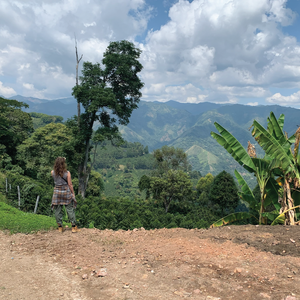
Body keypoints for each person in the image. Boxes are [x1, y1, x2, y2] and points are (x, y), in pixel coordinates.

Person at [51, 157, 80, 233]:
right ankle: (73, 227)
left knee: (57, 210)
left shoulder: (52, 173)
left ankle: (60, 227)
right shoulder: (67, 173)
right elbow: (70, 184)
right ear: (63, 164)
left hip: (57, 192)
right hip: (66, 192)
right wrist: (72, 193)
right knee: (70, 209)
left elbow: (56, 181)